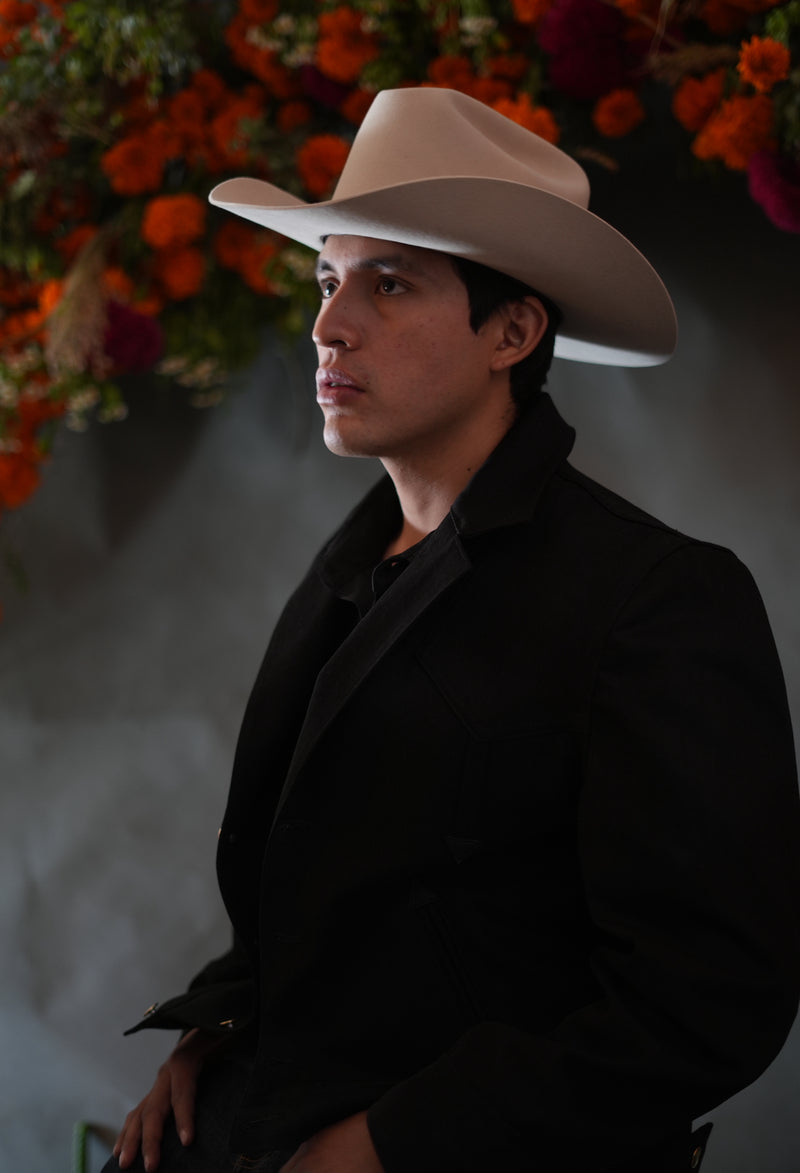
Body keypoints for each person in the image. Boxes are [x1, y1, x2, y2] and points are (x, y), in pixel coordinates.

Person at [106, 88, 800, 1173]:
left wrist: (388, 1146)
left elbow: (707, 999)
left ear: (511, 332)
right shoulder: (350, 565)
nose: (329, 325)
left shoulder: (655, 598)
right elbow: (330, 887)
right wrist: (219, 1027)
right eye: (328, 279)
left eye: (388, 283)